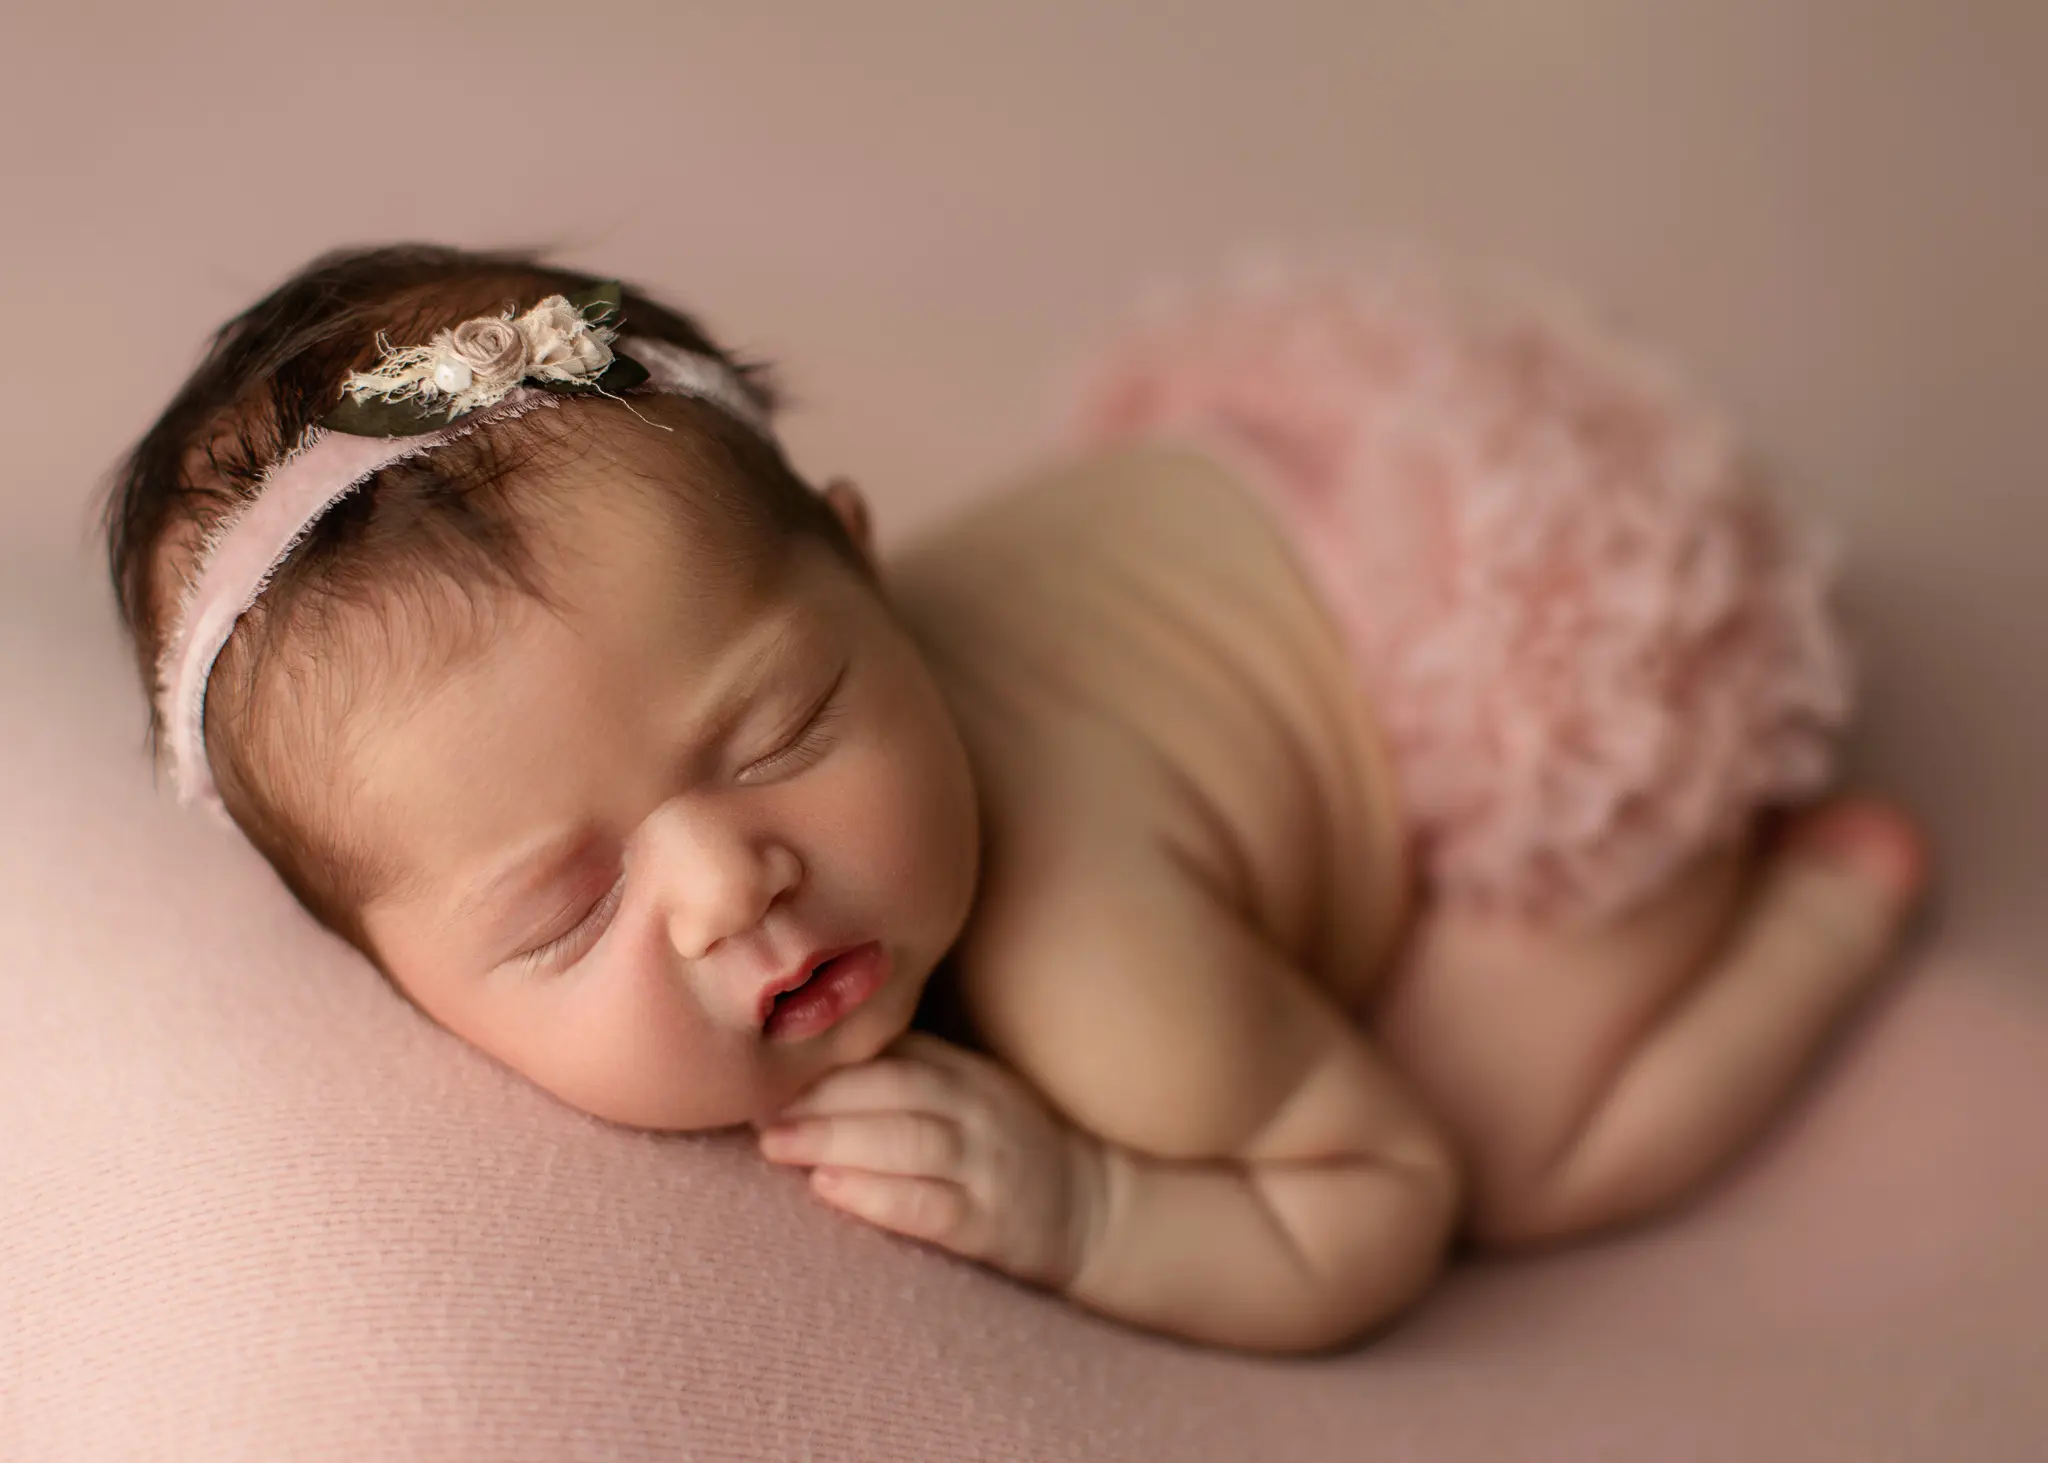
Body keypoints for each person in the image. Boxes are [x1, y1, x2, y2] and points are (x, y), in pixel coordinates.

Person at [102, 244, 1927, 1354]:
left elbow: (1383, 1192)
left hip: (1519, 634)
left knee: (1517, 1150)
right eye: (565, 909)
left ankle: (1819, 918)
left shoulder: (1097, 972)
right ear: (392, 970)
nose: (735, 885)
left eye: (783, 728)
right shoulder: (732, 665)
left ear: (867, 569)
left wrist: (1090, 1209)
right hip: (1259, 511)